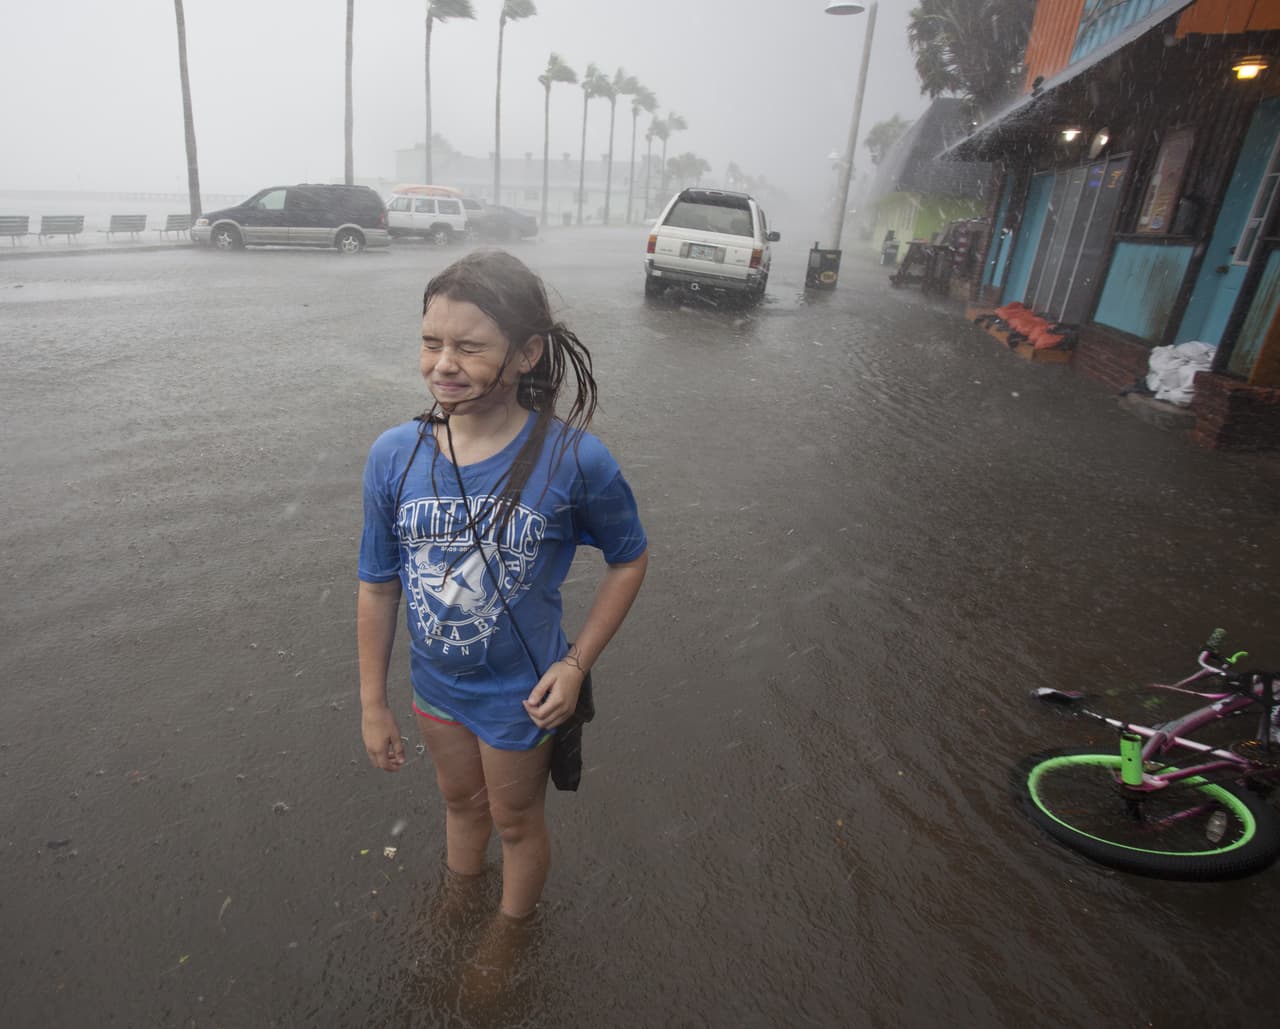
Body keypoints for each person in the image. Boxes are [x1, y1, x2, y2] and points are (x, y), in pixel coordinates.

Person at [357, 249, 648, 929]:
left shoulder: (575, 460)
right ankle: (458, 902)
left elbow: (629, 559)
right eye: (431, 342)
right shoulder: (394, 455)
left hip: (524, 694)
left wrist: (575, 666)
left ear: (526, 354)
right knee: (461, 805)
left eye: (469, 347)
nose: (443, 364)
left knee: (515, 822)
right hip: (437, 687)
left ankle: (509, 938)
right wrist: (373, 703)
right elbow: (377, 586)